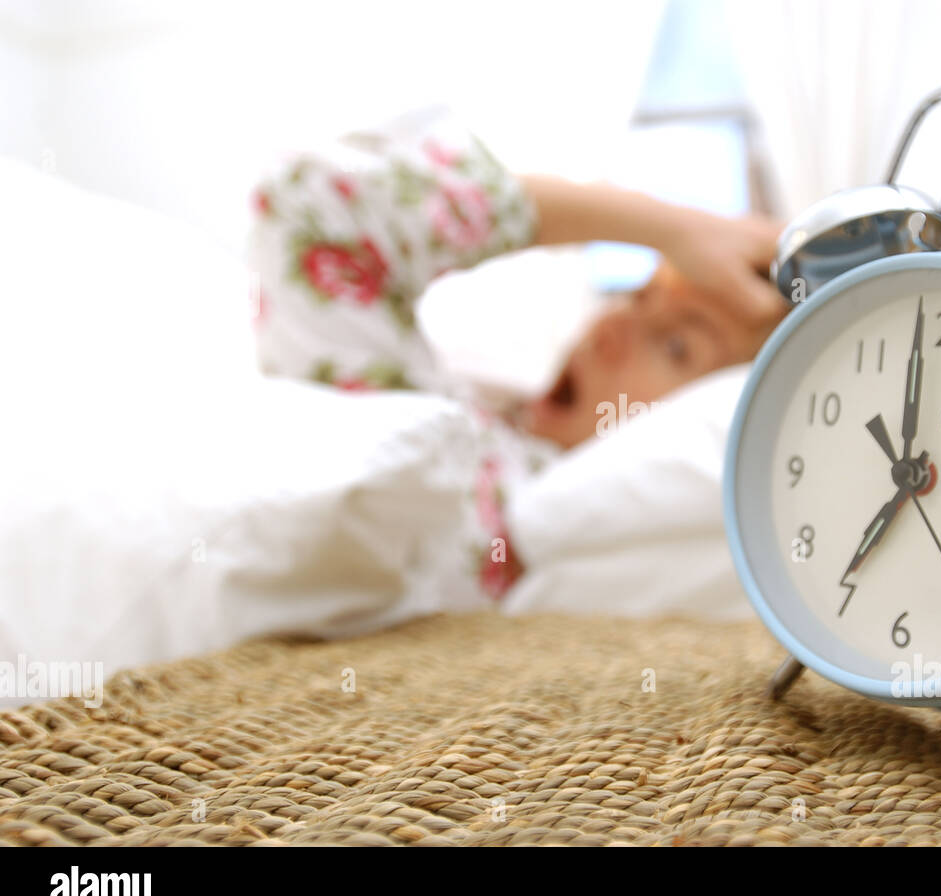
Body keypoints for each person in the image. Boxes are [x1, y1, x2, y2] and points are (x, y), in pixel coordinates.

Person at [248, 111, 787, 601]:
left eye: (677, 347)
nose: (613, 329)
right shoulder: (480, 418)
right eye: (638, 297)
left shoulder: (476, 500)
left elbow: (312, 201)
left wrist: (674, 229)